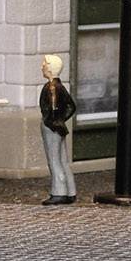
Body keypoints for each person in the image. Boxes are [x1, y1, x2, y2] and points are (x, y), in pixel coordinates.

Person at [36, 55, 77, 206]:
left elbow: (53, 108)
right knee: (63, 160)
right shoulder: (60, 86)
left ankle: (59, 192)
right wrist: (61, 120)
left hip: (51, 127)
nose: (42, 67)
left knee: (54, 160)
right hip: (59, 127)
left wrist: (52, 121)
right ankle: (70, 190)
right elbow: (71, 107)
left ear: (50, 67)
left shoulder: (51, 87)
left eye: (44, 64)